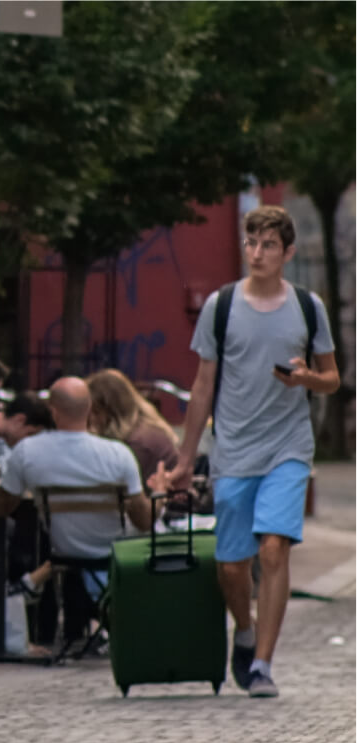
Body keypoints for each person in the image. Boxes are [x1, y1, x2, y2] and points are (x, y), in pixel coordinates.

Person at [158, 205, 339, 699]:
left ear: (287, 253)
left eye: (268, 246)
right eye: (251, 243)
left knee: (274, 547)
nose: (257, 253)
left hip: (288, 446)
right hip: (234, 449)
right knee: (232, 565)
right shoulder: (221, 306)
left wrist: (304, 378)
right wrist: (182, 460)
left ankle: (261, 662)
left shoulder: (307, 307)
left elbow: (333, 379)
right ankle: (243, 626)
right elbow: (202, 388)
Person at [0, 378, 152, 653]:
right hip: (117, 551)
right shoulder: (119, 455)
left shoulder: (27, 452)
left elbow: (1, 507)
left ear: (53, 411)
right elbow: (145, 521)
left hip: (65, 550)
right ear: (90, 409)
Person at [86, 368, 179, 483]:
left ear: (111, 411)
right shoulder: (140, 427)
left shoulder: (137, 444)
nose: (91, 418)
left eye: (96, 412)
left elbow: (126, 491)